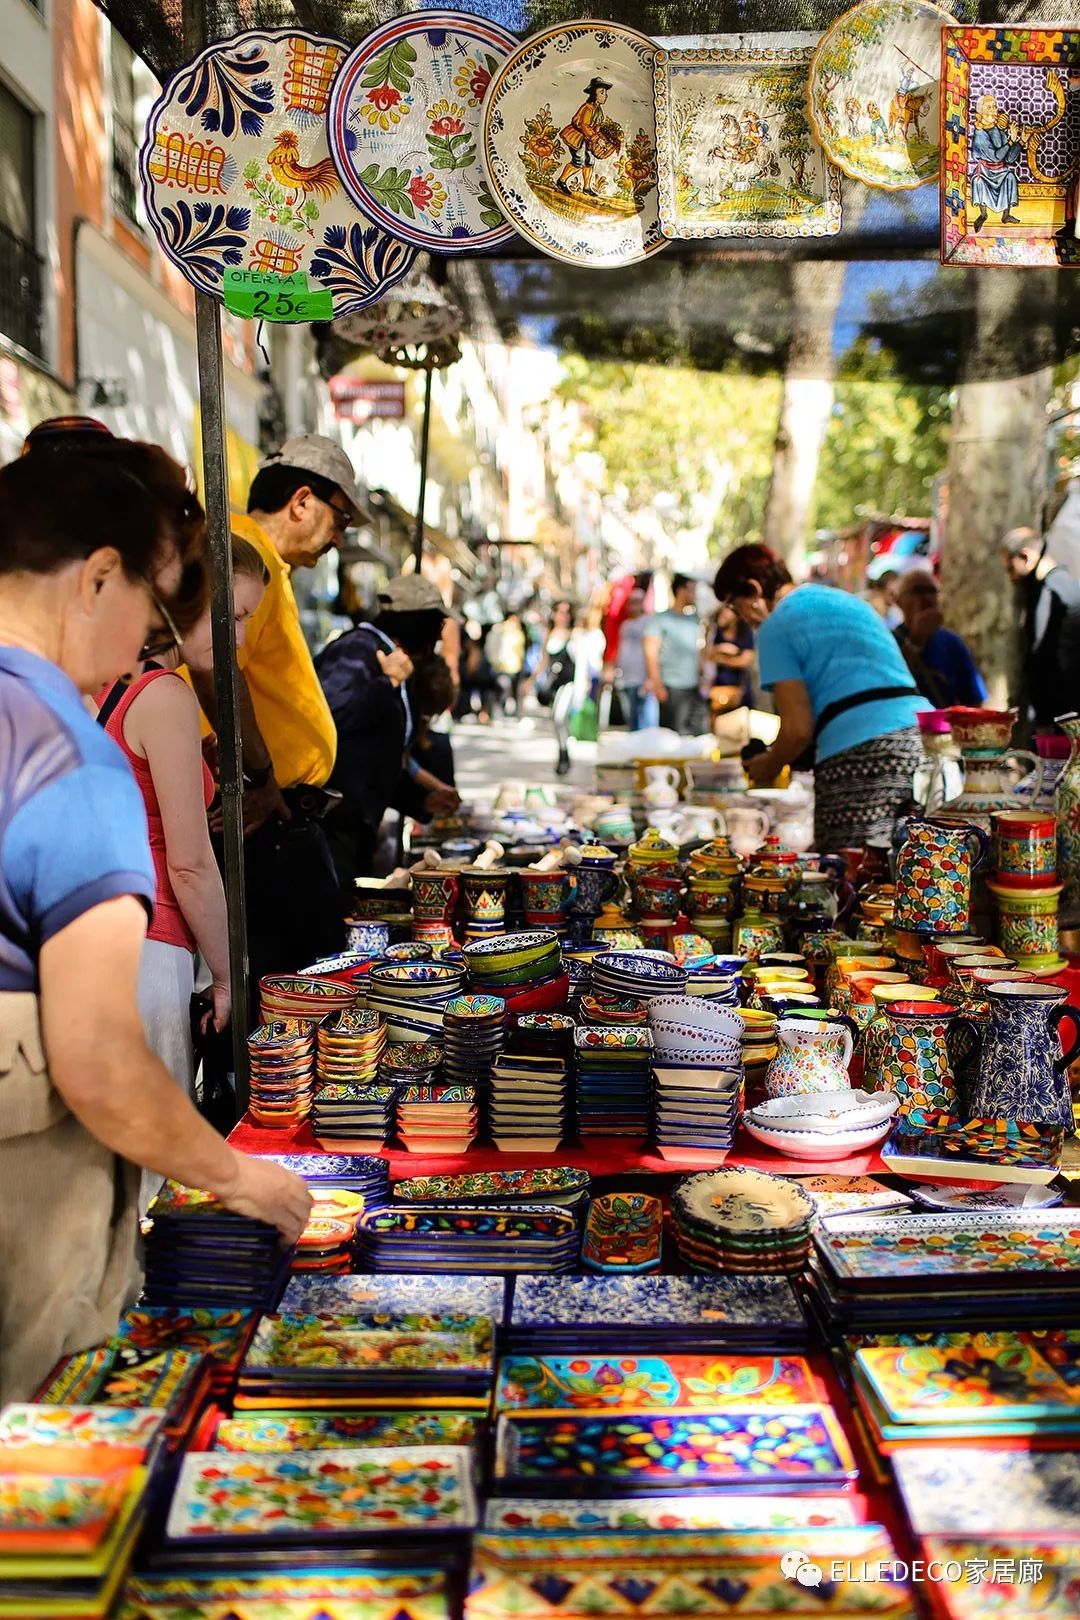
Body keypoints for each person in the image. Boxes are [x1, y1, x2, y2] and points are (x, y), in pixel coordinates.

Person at [0, 449, 310, 1402]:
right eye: (155, 596)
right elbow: (98, 1059)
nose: (154, 630)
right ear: (98, 577)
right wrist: (243, 1179)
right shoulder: (66, 758)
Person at [94, 535, 269, 1208]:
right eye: (232, 616)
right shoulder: (161, 695)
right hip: (151, 948)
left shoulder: (102, 686)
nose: (240, 636)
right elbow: (192, 865)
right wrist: (229, 975)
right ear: (183, 604)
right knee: (146, 1181)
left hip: (93, 945)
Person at [185, 436, 362, 993]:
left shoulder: (267, 563)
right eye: (340, 519)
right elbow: (218, 667)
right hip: (257, 815)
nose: (338, 538)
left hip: (276, 812)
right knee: (297, 993)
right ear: (302, 501)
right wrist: (259, 778)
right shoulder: (246, 550)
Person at [713, 544, 925, 854]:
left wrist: (769, 764)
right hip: (921, 737)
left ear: (754, 589)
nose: (741, 617)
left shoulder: (776, 625)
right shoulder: (844, 601)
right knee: (912, 869)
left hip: (862, 754)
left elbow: (798, 730)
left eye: (736, 605)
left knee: (852, 872)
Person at [316, 575, 459, 884]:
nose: (438, 639)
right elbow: (326, 718)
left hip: (356, 822)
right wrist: (387, 683)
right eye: (436, 626)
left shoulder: (388, 654)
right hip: (333, 823)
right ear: (414, 621)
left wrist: (419, 800)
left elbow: (376, 751)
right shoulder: (357, 649)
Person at [1002, 527, 1080, 729]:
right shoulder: (1068, 584)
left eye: (1010, 568)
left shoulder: (1048, 592)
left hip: (1059, 715)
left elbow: (1040, 654)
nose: (1011, 578)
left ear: (1026, 557)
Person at [893, 570, 988, 709]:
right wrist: (916, 642)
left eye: (932, 591)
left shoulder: (952, 643)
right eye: (917, 591)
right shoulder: (888, 641)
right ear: (898, 601)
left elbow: (973, 700)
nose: (926, 598)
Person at [644, 574, 705, 735]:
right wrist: (657, 684)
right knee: (673, 737)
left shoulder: (694, 619)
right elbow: (651, 652)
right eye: (691, 590)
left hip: (693, 687)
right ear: (681, 590)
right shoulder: (660, 619)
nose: (695, 594)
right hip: (671, 687)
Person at [557, 76, 613, 197]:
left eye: (605, 93)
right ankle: (561, 181)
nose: (605, 95)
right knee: (578, 161)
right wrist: (596, 138)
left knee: (589, 161)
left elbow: (596, 126)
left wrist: (601, 137)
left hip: (588, 139)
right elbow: (584, 126)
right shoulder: (588, 107)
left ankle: (586, 187)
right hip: (577, 137)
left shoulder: (598, 110)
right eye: (602, 92)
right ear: (594, 94)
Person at [611, 586, 657, 731]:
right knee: (632, 721)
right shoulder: (625, 625)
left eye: (637, 601)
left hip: (643, 679)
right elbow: (620, 649)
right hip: (626, 678)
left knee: (647, 723)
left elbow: (653, 651)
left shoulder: (649, 622)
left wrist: (651, 677)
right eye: (631, 602)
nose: (633, 606)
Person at [702, 602, 754, 723]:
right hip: (717, 688)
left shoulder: (745, 632)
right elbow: (707, 655)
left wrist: (722, 659)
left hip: (739, 689)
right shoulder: (715, 632)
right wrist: (723, 649)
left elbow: (745, 661)